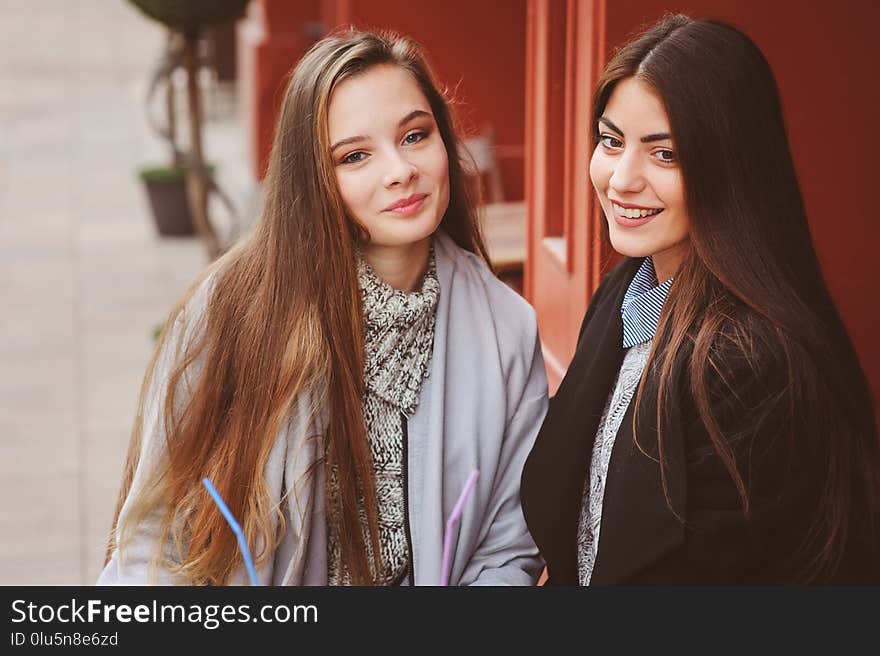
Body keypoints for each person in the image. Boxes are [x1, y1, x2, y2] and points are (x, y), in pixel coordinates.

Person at [99, 30, 547, 586]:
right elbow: (157, 542)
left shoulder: (506, 329)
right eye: (355, 155)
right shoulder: (233, 312)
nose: (399, 170)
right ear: (313, 177)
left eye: (415, 136)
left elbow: (506, 553)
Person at [520, 14, 880, 585]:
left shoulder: (752, 361)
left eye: (666, 155)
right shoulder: (628, 290)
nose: (621, 180)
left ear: (731, 169)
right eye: (612, 143)